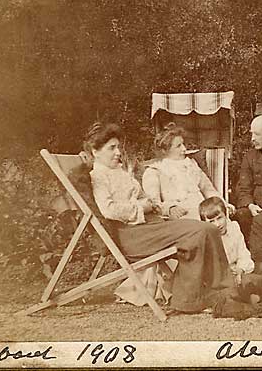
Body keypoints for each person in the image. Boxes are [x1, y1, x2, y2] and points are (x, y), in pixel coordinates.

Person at [82, 122, 235, 313]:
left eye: (118, 147)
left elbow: (140, 197)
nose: (118, 152)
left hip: (146, 227)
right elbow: (108, 210)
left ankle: (207, 296)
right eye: (111, 148)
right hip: (131, 236)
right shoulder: (98, 176)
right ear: (95, 151)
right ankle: (206, 296)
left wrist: (149, 203)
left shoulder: (116, 172)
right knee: (201, 230)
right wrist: (142, 206)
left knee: (204, 230)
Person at [199, 196, 262, 301]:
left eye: (220, 218)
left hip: (239, 270)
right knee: (236, 286)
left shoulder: (234, 227)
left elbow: (243, 253)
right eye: (211, 222)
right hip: (221, 277)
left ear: (226, 215)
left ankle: (253, 294)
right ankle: (250, 295)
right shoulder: (206, 238)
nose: (217, 224)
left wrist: (240, 269)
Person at [142, 123, 231, 220]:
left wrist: (223, 204)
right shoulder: (154, 171)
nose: (184, 149)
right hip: (181, 218)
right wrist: (170, 209)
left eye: (183, 144)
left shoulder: (191, 165)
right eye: (178, 146)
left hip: (205, 213)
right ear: (165, 150)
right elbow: (153, 203)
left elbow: (208, 190)